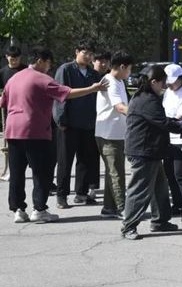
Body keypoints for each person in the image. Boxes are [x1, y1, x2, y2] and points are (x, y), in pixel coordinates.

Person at [0, 47, 107, 224]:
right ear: (40, 61)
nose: (49, 67)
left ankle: (18, 210)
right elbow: (67, 93)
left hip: (13, 131)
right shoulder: (42, 79)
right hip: (35, 131)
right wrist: (92, 88)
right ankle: (39, 209)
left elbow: (3, 102)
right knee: (42, 172)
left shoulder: (14, 79)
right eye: (48, 63)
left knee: (17, 173)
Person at [121, 66, 182, 240]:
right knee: (139, 190)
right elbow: (162, 122)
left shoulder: (144, 96)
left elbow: (161, 120)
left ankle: (160, 221)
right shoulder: (147, 99)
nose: (164, 86)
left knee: (160, 188)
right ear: (153, 82)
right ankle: (129, 226)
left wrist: (178, 124)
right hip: (143, 151)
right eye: (162, 82)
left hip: (151, 150)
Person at [53, 43, 103, 208]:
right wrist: (61, 120)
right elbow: (59, 95)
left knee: (85, 160)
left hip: (89, 123)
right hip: (69, 124)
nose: (88, 57)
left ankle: (81, 192)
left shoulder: (93, 74)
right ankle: (62, 195)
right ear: (76, 52)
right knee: (65, 161)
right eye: (84, 53)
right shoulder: (66, 70)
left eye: (90, 54)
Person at [95, 51, 132, 219]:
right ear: (122, 67)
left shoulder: (119, 81)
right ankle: (122, 208)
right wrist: (140, 114)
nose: (130, 72)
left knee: (113, 171)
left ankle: (109, 208)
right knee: (116, 173)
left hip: (117, 133)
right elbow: (120, 107)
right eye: (129, 69)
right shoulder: (110, 81)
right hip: (109, 135)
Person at [0, 45, 26, 181]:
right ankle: (13, 170)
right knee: (12, 142)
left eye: (17, 59)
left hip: (25, 109)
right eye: (12, 59)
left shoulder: (26, 70)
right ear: (7, 57)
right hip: (10, 111)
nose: (14, 61)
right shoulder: (2, 72)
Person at [162, 64, 182, 218]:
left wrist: (166, 121)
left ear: (181, 78)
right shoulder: (167, 92)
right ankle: (177, 204)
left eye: (173, 81)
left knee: (181, 175)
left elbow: (180, 116)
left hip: (181, 139)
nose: (170, 84)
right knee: (170, 174)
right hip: (168, 138)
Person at [87, 51, 111, 195]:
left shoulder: (111, 77)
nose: (103, 64)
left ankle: (94, 186)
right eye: (100, 61)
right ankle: (89, 187)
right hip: (89, 122)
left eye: (106, 61)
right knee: (89, 157)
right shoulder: (88, 76)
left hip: (107, 123)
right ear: (93, 61)